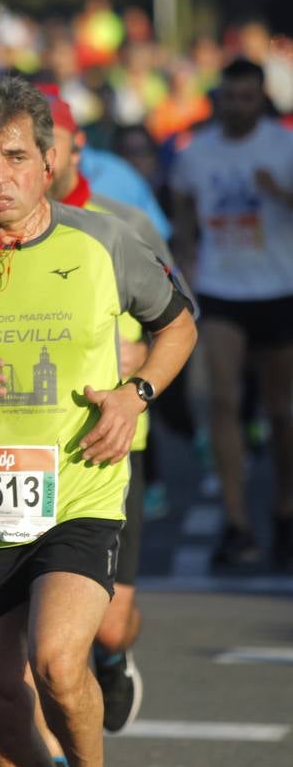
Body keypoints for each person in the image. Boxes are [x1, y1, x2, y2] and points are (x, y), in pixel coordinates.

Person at [0, 76, 196, 766]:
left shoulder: (103, 242)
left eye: (15, 157)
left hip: (83, 488)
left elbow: (178, 326)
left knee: (54, 662)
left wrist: (134, 394)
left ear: (48, 162)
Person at [45, 95, 192, 733]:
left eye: (48, 147)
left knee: (105, 621)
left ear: (78, 152)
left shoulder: (123, 221)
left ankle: (114, 654)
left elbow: (182, 311)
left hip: (112, 437)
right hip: (25, 446)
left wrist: (142, 353)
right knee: (36, 637)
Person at [172, 57, 293, 570]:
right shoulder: (195, 154)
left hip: (279, 287)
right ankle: (237, 520)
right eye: (230, 97)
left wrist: (279, 194)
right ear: (218, 98)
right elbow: (181, 226)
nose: (238, 106)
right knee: (221, 401)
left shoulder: (284, 146)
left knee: (281, 411)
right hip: (220, 290)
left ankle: (285, 512)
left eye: (248, 97)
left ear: (261, 99)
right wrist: (184, 279)